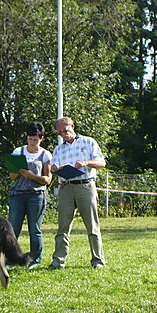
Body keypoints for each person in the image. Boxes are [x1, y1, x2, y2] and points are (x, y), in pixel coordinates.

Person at [48, 116, 106, 270]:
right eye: (60, 132)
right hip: (66, 187)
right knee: (63, 226)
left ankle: (97, 260)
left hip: (85, 186)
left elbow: (102, 163)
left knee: (92, 226)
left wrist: (86, 163)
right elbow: (55, 166)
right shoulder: (59, 149)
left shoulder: (88, 142)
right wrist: (54, 168)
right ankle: (58, 261)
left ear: (72, 126)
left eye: (65, 130)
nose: (63, 134)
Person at [8, 122, 52, 269]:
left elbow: (47, 179)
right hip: (17, 195)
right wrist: (18, 170)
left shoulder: (45, 155)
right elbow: (12, 176)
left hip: (36, 195)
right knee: (13, 228)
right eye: (30, 139)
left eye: (36, 139)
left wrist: (33, 176)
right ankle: (11, 258)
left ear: (41, 138)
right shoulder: (18, 152)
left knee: (35, 228)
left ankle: (35, 259)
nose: (32, 142)